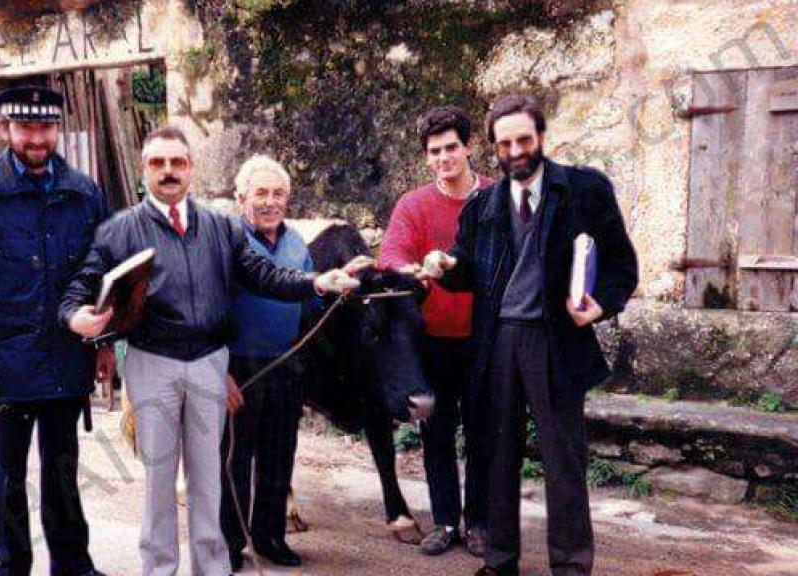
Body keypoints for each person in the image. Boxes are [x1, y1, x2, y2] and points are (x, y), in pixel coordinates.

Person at [59, 126, 359, 576]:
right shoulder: (120, 229)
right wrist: (74, 316)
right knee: (160, 481)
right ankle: (159, 569)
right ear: (144, 170)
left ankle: (212, 568)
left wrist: (315, 281)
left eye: (177, 162)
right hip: (153, 362)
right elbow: (82, 285)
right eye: (158, 163)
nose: (168, 171)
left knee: (209, 479)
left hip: (208, 363)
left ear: (191, 169)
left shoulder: (220, 227)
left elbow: (264, 274)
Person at [419, 94, 638, 576]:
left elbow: (622, 266)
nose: (516, 151)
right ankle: (500, 561)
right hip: (497, 342)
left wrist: (601, 305)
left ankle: (571, 566)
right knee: (496, 455)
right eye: (505, 143)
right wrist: (446, 265)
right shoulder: (484, 205)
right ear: (493, 148)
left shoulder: (584, 190)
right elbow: (467, 267)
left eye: (524, 139)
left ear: (540, 137)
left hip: (555, 341)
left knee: (563, 458)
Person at [0, 85, 110, 576]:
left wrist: (103, 345)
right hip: (4, 365)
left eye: (46, 127)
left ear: (58, 129)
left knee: (63, 470)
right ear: (4, 129)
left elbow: (103, 273)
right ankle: (10, 567)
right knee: (9, 474)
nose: (37, 138)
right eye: (25, 127)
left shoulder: (85, 193)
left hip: (67, 358)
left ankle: (72, 566)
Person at [379, 105, 494, 557]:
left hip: (485, 338)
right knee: (437, 433)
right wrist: (411, 270)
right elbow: (390, 257)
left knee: (483, 433)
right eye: (434, 151)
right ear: (426, 157)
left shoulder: (495, 197)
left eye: (451, 148)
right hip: (431, 341)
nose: (443, 158)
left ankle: (479, 522)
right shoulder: (413, 204)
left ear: (468, 147)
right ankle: (445, 521)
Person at [217, 154, 327, 571]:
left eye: (278, 193)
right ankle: (230, 543)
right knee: (234, 458)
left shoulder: (297, 243)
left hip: (285, 363)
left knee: (279, 454)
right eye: (260, 193)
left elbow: (312, 303)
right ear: (240, 197)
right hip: (239, 365)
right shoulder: (229, 242)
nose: (270, 201)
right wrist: (219, 370)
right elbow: (211, 307)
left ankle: (270, 537)